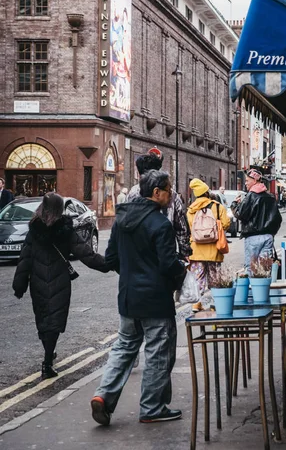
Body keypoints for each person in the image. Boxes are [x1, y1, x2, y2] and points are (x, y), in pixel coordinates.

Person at [90, 170, 186, 426]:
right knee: (157, 351)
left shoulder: (122, 220)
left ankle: (103, 395)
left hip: (129, 297)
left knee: (124, 347)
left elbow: (111, 260)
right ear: (156, 193)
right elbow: (168, 265)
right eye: (169, 190)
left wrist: (132, 274)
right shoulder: (160, 224)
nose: (171, 194)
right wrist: (182, 271)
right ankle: (152, 408)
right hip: (155, 300)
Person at [12, 193, 109, 380]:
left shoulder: (34, 230)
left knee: (43, 319)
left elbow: (24, 260)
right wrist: (109, 264)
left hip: (38, 282)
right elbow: (86, 255)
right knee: (54, 322)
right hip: (60, 282)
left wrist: (19, 286)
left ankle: (48, 353)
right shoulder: (65, 229)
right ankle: (47, 362)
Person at [126, 150, 191, 260]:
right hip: (164, 252)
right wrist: (184, 252)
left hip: (138, 253)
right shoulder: (171, 194)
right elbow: (181, 227)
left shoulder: (132, 193)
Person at [187, 178, 230, 312]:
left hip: (197, 250)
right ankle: (216, 303)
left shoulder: (191, 210)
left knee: (197, 277)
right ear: (206, 192)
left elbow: (190, 227)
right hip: (214, 249)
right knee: (214, 278)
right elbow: (226, 223)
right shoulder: (217, 206)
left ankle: (196, 304)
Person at [231, 169, 281, 275]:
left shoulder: (251, 196)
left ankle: (253, 290)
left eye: (247, 180)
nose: (245, 183)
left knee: (251, 268)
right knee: (265, 267)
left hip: (252, 236)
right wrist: (271, 233)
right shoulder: (270, 197)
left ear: (254, 181)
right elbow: (278, 218)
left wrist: (235, 204)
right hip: (268, 236)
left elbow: (240, 214)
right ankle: (264, 290)